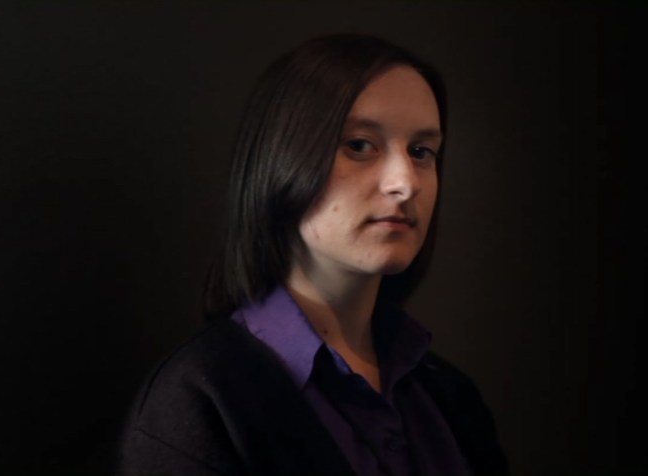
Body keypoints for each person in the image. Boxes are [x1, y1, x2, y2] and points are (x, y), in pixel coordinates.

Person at [118, 34, 507, 476]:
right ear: (282, 160)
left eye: (421, 152)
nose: (406, 182)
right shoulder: (197, 403)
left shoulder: (451, 399)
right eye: (359, 145)